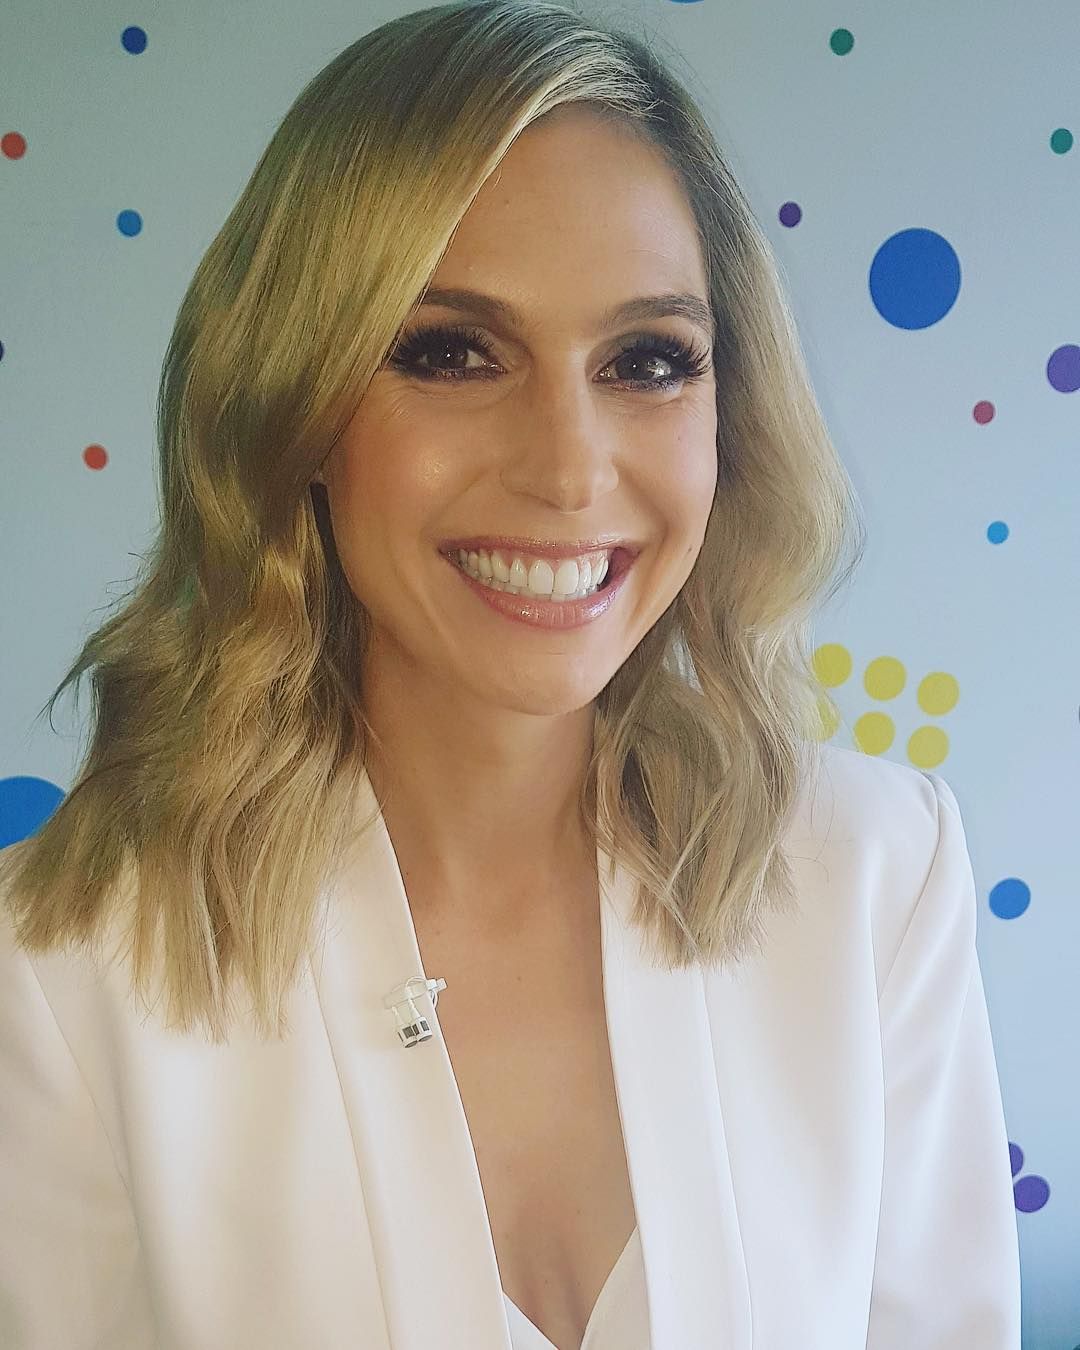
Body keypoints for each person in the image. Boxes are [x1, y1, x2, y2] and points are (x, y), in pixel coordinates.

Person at [0, 1, 1021, 1347]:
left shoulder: (880, 873)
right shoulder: (56, 962)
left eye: (647, 360)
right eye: (451, 352)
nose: (569, 469)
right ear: (298, 407)